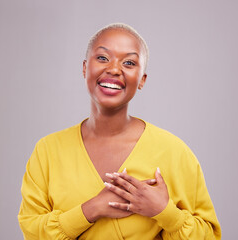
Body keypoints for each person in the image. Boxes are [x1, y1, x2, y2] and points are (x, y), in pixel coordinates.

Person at [18, 23, 221, 239]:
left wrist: (165, 212)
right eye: (103, 58)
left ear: (142, 80)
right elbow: (32, 231)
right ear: (85, 68)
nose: (115, 69)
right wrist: (91, 209)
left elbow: (209, 235)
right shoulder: (48, 151)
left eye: (129, 62)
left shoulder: (174, 152)